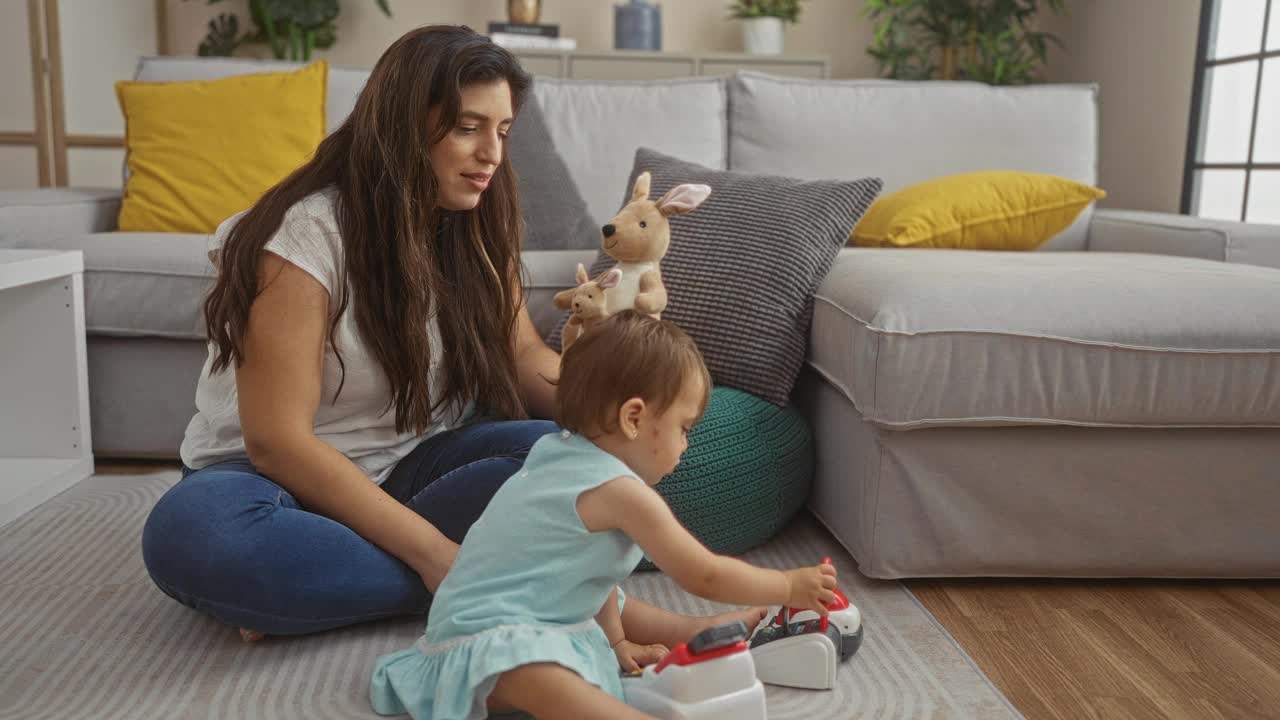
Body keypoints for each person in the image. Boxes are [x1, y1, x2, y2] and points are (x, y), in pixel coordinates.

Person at [140, 25, 757, 645]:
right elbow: (278, 443)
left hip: (412, 471)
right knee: (198, 537)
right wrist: (436, 554)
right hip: (268, 484)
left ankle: (322, 591)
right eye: (468, 127)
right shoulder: (302, 238)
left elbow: (522, 358)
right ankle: (493, 579)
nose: (492, 152)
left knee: (554, 453)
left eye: (503, 131)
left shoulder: (476, 229)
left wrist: (629, 397)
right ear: (403, 126)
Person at [370, 311, 838, 720]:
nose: (686, 444)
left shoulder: (554, 452)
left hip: (508, 620)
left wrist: (615, 646)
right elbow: (705, 576)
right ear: (634, 417)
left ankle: (684, 635)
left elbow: (586, 575)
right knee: (543, 680)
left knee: (579, 617)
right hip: (485, 647)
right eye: (684, 428)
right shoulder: (621, 493)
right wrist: (788, 586)